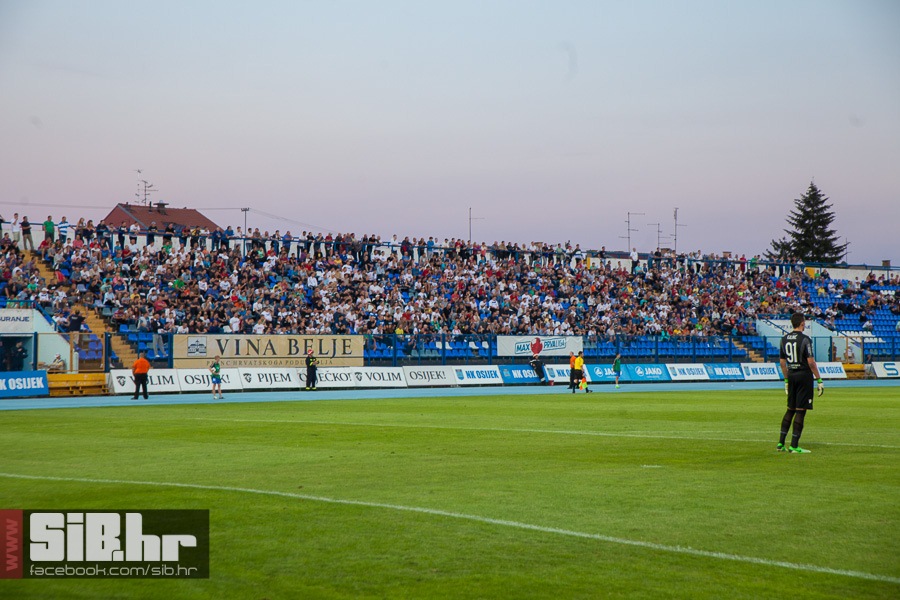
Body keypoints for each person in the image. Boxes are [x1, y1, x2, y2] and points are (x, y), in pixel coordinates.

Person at [778, 313, 824, 453]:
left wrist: (786, 380)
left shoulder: (784, 339)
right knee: (800, 411)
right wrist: (819, 379)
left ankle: (781, 443)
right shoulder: (805, 339)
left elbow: (782, 362)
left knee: (790, 409)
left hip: (791, 375)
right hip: (803, 376)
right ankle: (794, 445)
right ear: (802, 323)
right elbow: (811, 362)